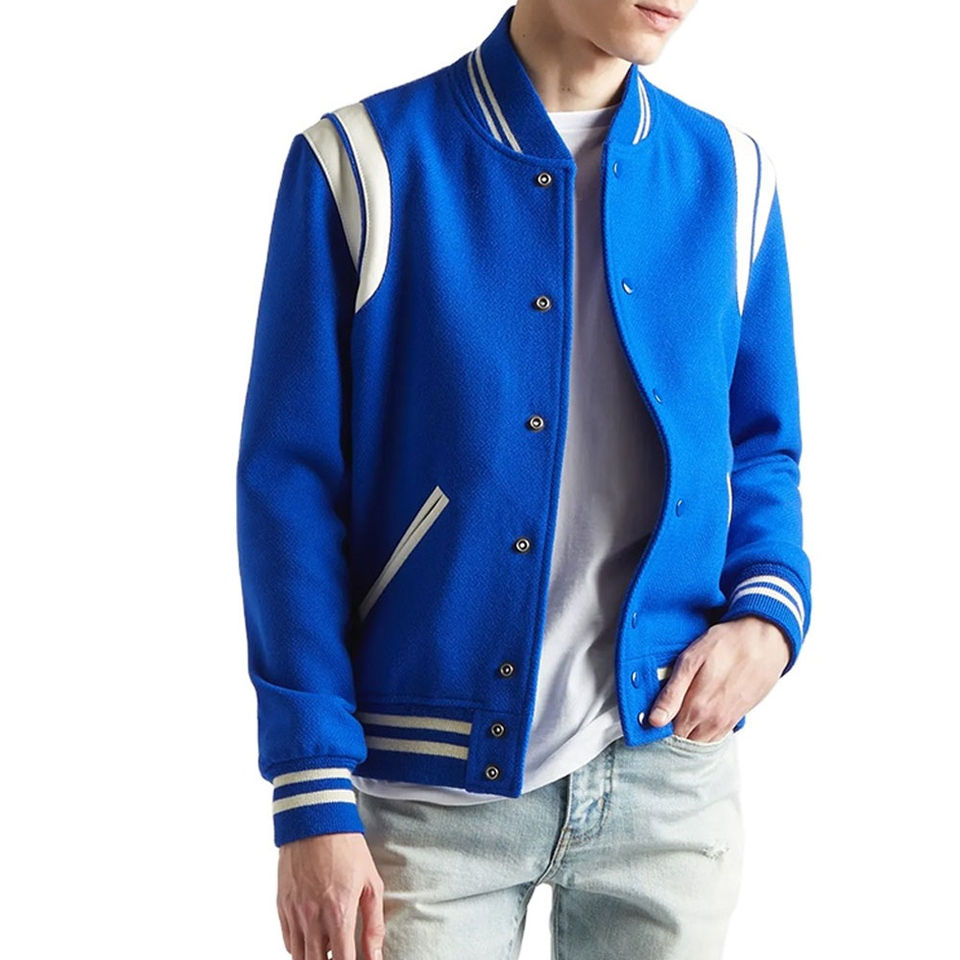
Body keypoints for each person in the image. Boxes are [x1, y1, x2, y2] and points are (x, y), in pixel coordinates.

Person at [235, 1, 813, 957]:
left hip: (670, 769)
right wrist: (310, 789)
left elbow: (759, 445)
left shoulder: (732, 174)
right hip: (426, 790)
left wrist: (769, 615)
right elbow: (289, 494)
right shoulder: (364, 163)